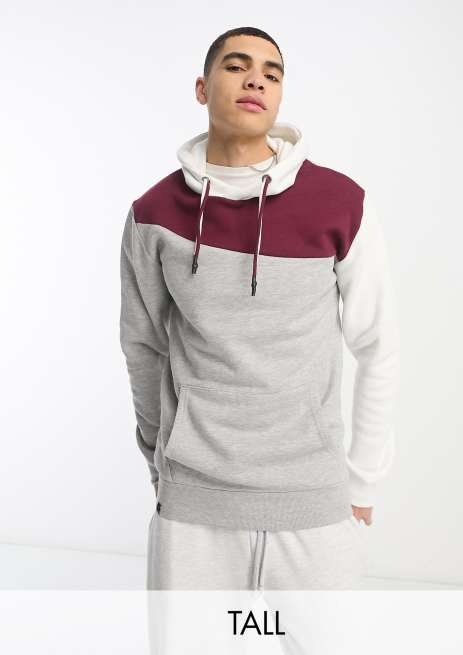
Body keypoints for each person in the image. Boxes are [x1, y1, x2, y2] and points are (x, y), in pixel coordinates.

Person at [119, 26, 400, 599]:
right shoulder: (153, 214)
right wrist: (160, 462)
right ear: (202, 88)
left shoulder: (339, 203)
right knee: (191, 643)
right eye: (236, 66)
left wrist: (363, 480)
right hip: (193, 506)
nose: (256, 81)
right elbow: (143, 346)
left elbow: (377, 345)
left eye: (272, 74)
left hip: (314, 504)